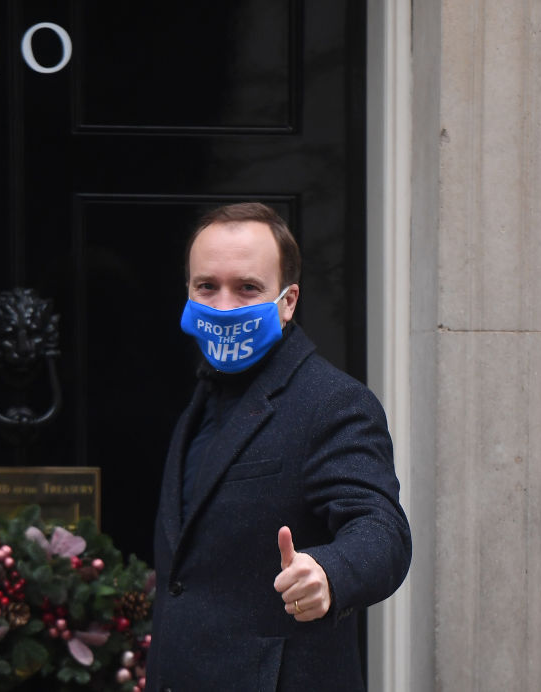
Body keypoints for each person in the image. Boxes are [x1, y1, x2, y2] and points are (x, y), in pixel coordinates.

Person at [146, 203, 411, 691]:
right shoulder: (201, 401)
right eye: (207, 286)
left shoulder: (332, 401)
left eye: (247, 287)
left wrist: (329, 572)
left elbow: (383, 530)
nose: (224, 307)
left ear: (288, 302)